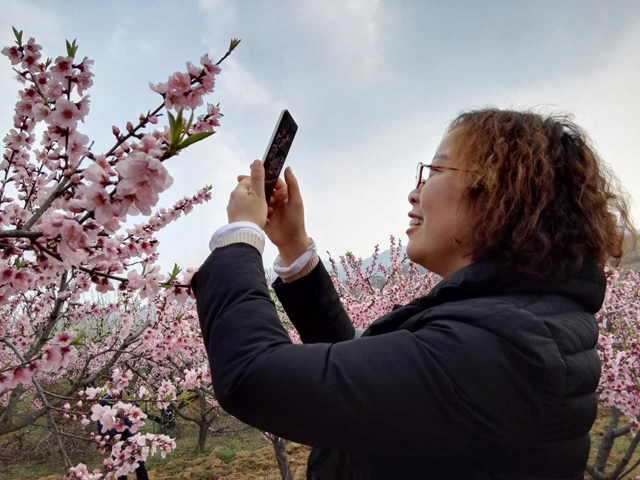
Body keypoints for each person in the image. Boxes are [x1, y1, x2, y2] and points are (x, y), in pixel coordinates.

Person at [191, 108, 637, 479]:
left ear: (503, 193)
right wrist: (293, 248)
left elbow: (254, 376)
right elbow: (365, 374)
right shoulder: (512, 324)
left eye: (433, 171)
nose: (413, 193)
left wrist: (240, 236)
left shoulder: (503, 347)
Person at [97, 394, 150, 480]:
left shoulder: (124, 411)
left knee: (139, 465)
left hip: (130, 440)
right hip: (116, 444)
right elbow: (102, 430)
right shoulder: (104, 416)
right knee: (122, 469)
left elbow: (134, 419)